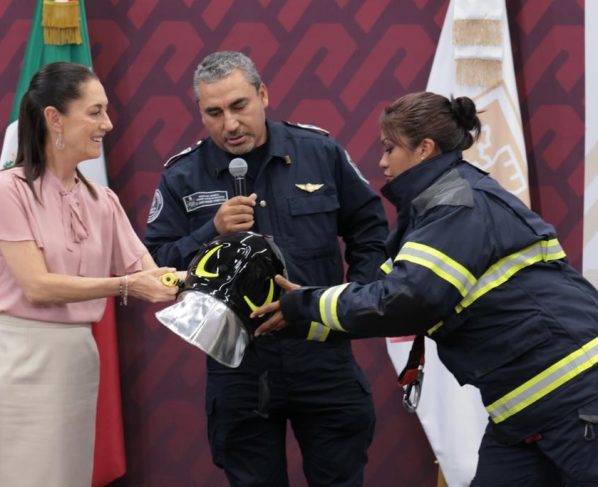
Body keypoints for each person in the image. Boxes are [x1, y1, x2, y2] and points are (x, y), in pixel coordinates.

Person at [253, 91, 598, 487]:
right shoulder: (433, 210)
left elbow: (404, 301)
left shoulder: (456, 205)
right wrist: (297, 316)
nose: (381, 161)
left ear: (424, 149)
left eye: (389, 148)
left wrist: (306, 304)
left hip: (576, 396)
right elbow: (381, 293)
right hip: (520, 411)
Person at [143, 51, 388, 486]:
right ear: (200, 112)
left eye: (239, 106)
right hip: (238, 361)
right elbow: (155, 267)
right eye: (214, 113)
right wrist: (209, 232)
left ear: (263, 95)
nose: (230, 124)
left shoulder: (319, 151)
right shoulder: (181, 176)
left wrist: (353, 301)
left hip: (320, 349)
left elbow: (370, 229)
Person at [0, 62, 179, 487]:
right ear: (54, 118)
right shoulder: (9, 191)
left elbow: (152, 276)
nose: (108, 123)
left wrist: (217, 273)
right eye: (95, 112)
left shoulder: (104, 200)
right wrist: (123, 286)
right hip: (20, 362)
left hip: (78, 361)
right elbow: (38, 286)